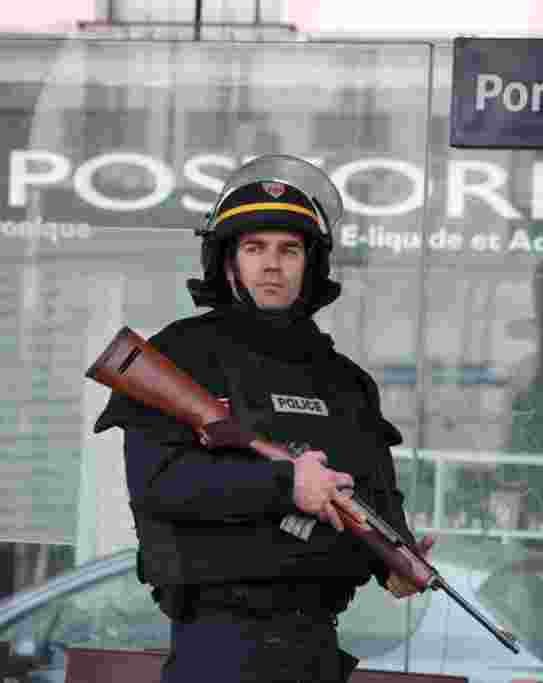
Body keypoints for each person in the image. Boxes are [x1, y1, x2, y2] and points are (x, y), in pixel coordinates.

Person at [93, 154, 435, 683]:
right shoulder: (179, 357)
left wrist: (394, 561)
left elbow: (375, 495)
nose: (272, 264)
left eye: (289, 250)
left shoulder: (345, 382)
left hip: (318, 646)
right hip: (218, 647)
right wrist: (285, 484)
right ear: (227, 260)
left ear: (311, 264)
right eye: (254, 248)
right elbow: (160, 485)